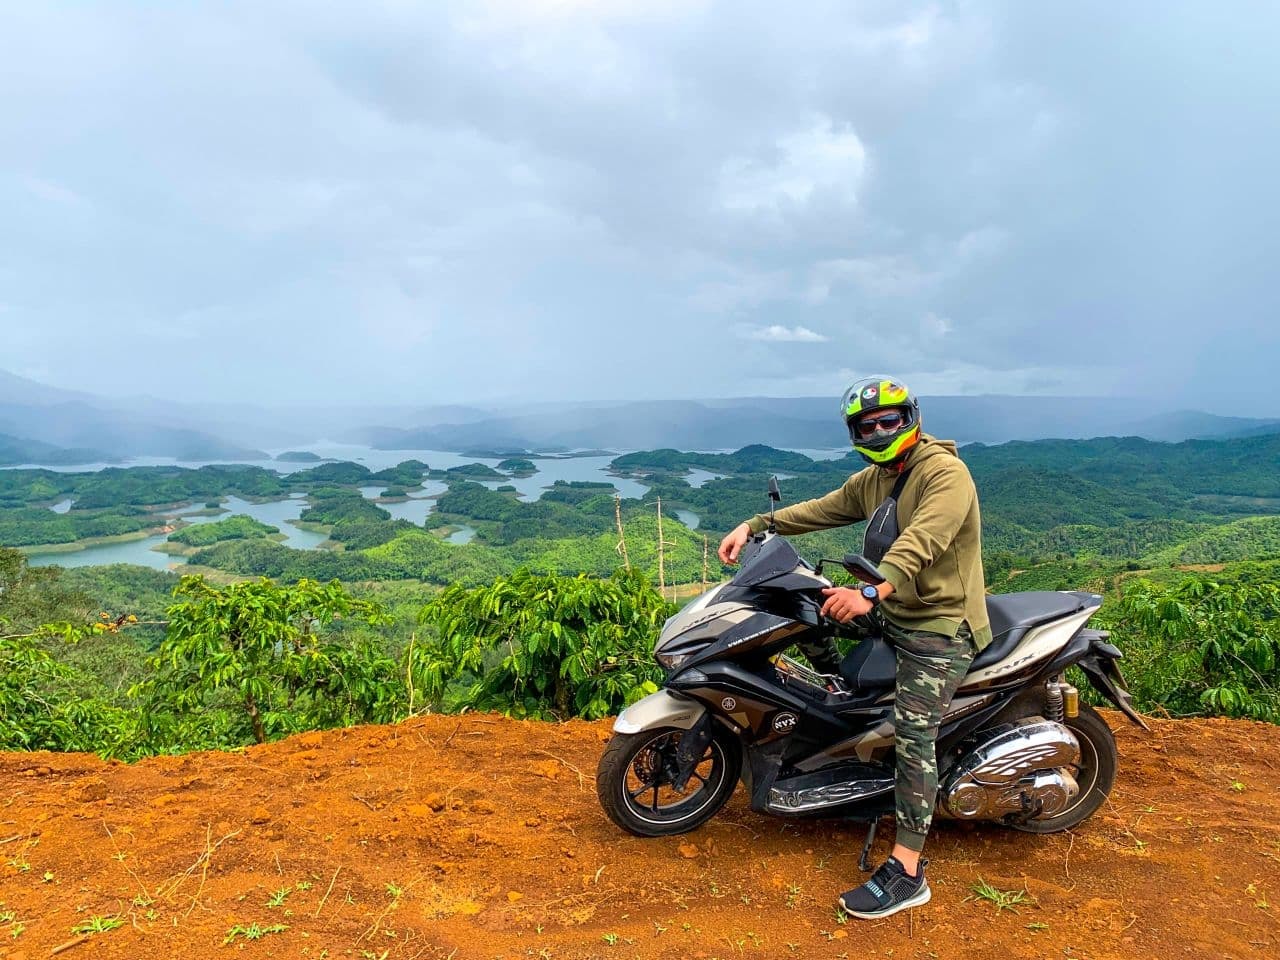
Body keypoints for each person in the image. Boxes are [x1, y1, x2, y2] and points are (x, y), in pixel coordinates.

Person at [717, 376, 991, 920]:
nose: (880, 430)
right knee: (807, 611)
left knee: (915, 735)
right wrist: (755, 525)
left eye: (889, 420)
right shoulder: (876, 478)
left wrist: (871, 590)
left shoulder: (944, 473)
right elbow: (822, 509)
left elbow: (924, 541)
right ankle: (839, 730)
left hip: (939, 626)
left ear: (909, 417)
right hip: (893, 611)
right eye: (868, 425)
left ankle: (909, 870)